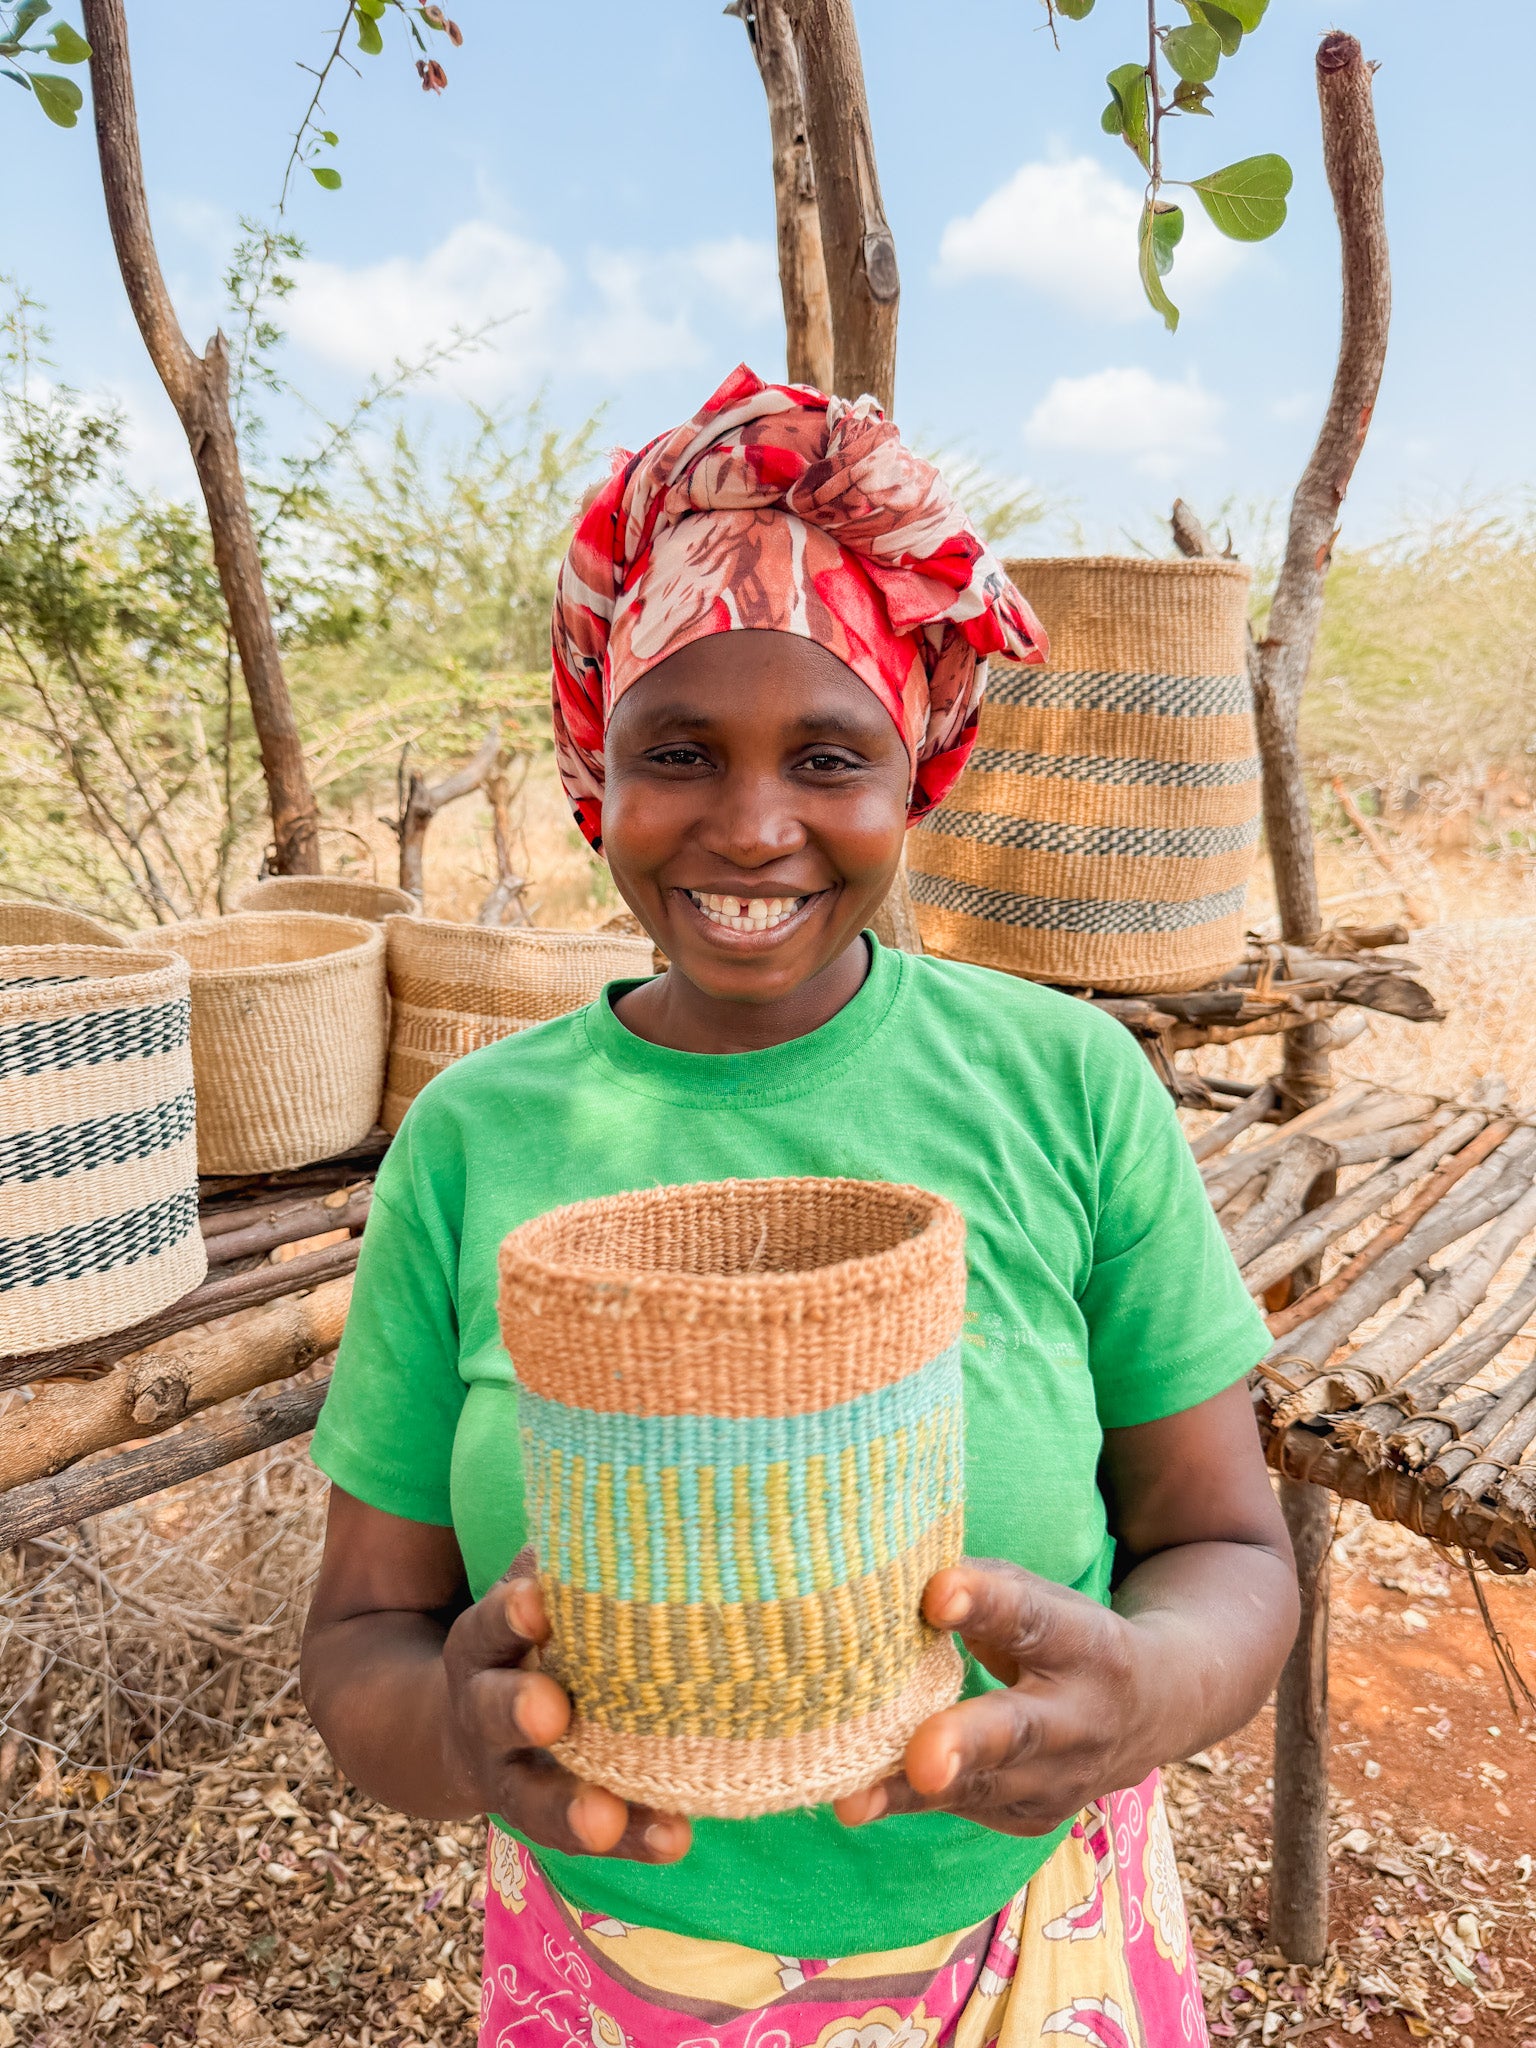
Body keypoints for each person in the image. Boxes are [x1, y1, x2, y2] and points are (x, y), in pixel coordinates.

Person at [301, 365, 1297, 2048]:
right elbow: (363, 1641)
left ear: (914, 775)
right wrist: (458, 1738)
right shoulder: (475, 1140)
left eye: (829, 757)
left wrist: (1155, 1689)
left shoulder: (1062, 1086)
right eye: (680, 752)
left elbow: (1227, 1546)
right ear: (593, 772)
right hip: (611, 1979)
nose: (752, 828)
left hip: (1039, 1944)